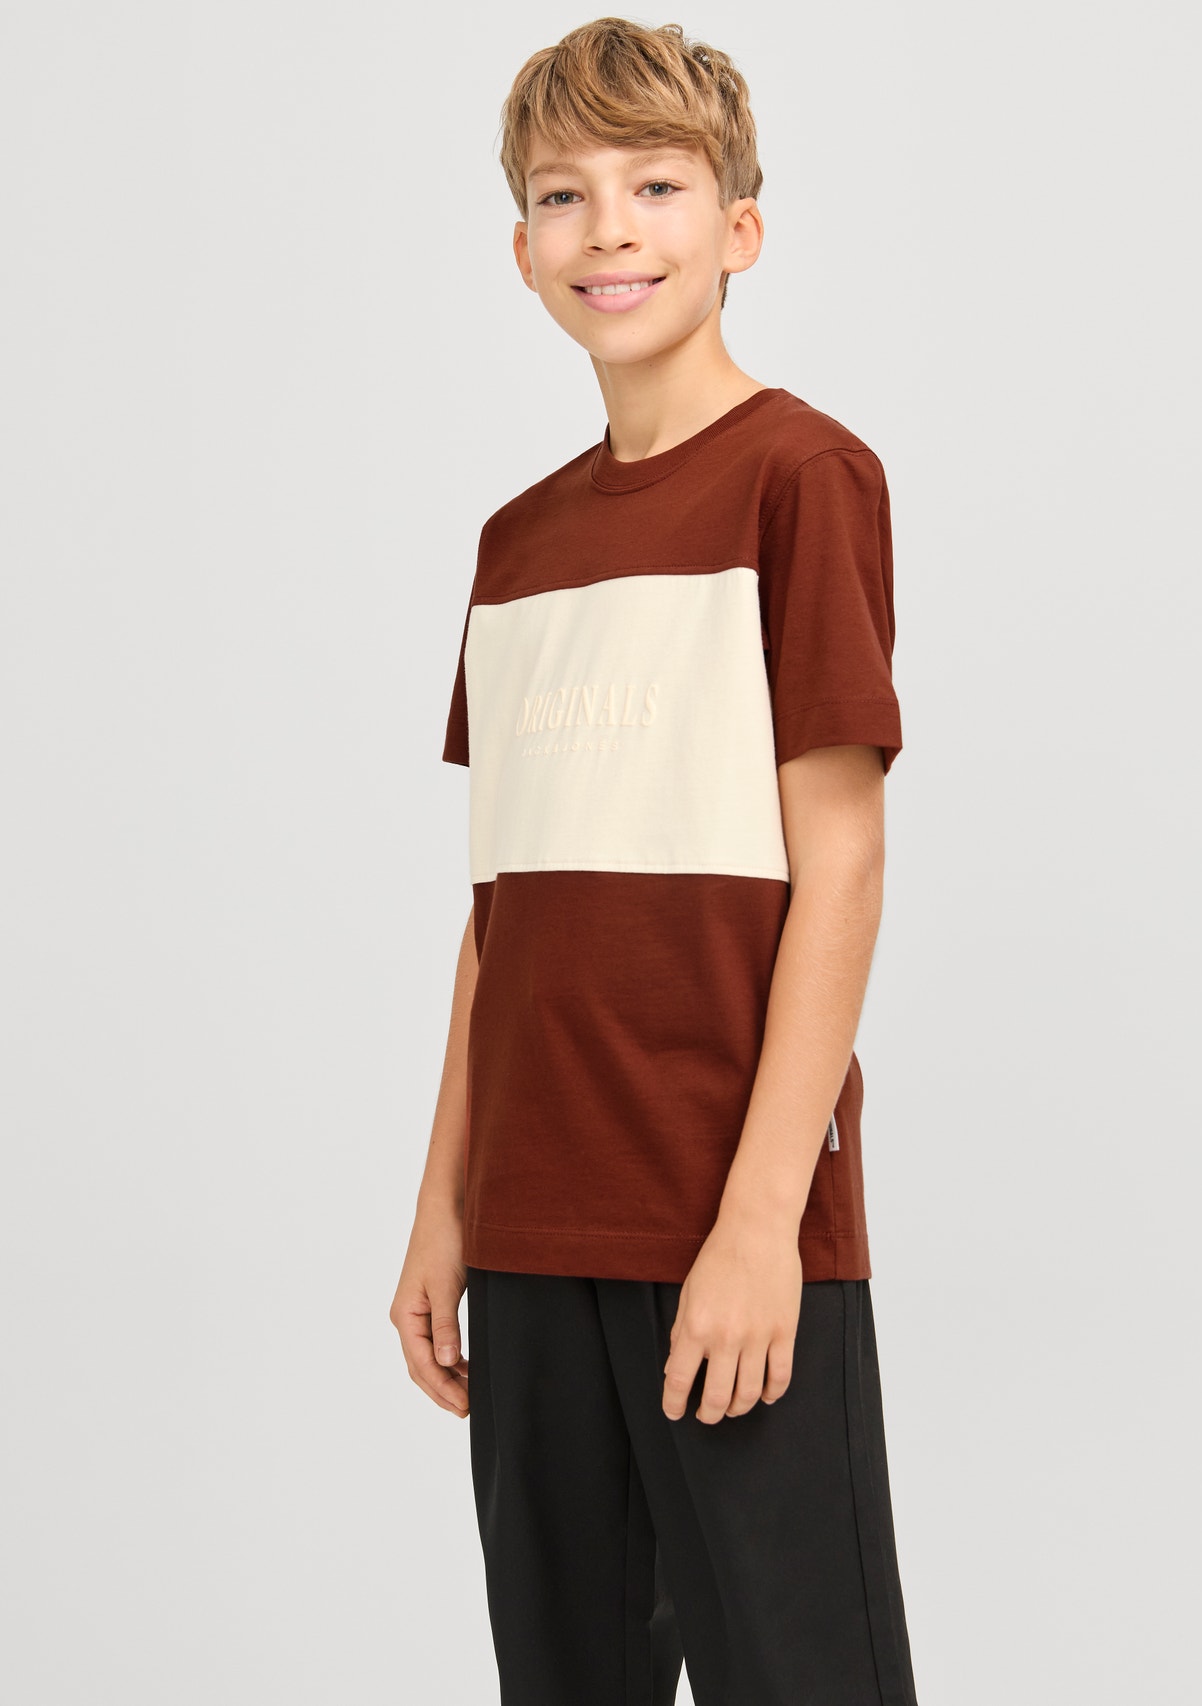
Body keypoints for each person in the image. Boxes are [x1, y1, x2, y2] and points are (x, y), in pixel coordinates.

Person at [390, 16, 921, 1704]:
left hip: (725, 1218)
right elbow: (502, 915)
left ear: (739, 227)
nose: (608, 226)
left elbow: (841, 869)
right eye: (564, 193)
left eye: (657, 185)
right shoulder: (518, 545)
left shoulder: (803, 479)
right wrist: (441, 1207)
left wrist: (762, 1221)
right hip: (528, 1230)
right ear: (522, 247)